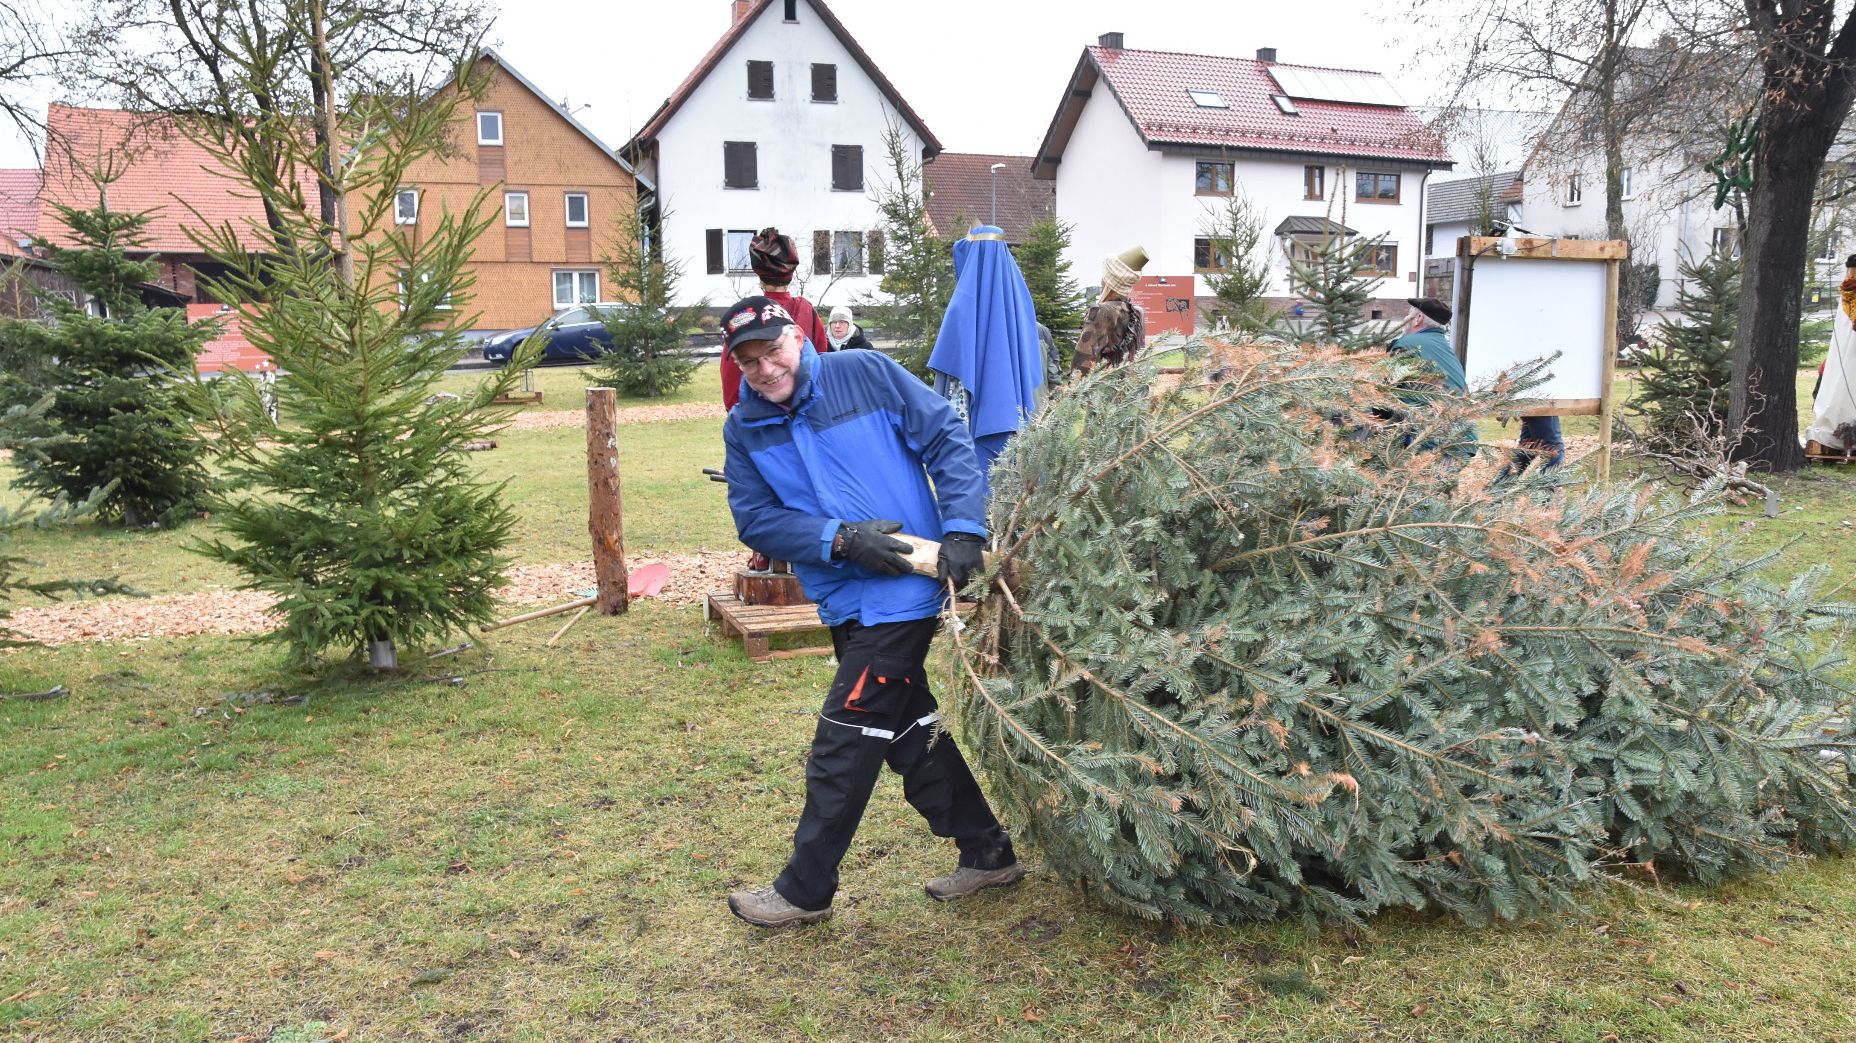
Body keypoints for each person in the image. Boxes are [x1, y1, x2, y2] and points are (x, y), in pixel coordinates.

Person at [718, 295, 1025, 929]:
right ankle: (987, 849)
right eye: (748, 362)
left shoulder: (865, 373)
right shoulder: (745, 427)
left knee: (846, 736)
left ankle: (806, 889)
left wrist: (964, 526)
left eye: (772, 351)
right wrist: (838, 538)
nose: (765, 369)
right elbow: (756, 518)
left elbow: (945, 436)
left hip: (905, 592)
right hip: (841, 597)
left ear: (798, 338)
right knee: (910, 730)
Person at [928, 225, 1046, 483]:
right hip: (1013, 407)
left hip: (968, 417)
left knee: (978, 480)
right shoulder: (1018, 299)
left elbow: (951, 366)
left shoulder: (963, 303)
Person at [718, 228, 830, 410]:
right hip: (810, 410)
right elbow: (822, 364)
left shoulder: (745, 318)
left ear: (759, 273)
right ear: (790, 272)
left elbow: (732, 386)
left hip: (760, 417)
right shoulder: (806, 310)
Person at [1384, 296, 1477, 458]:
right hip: (1462, 439)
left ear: (1418, 319)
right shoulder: (1444, 347)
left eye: (1408, 314)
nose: (1405, 318)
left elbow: (1385, 391)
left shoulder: (1406, 345)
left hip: (1429, 442)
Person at [1069, 246, 1149, 378]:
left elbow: (1082, 363)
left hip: (1103, 392)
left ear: (1109, 281)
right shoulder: (1137, 312)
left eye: (1104, 276)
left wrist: (1072, 391)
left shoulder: (1100, 311)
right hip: (1129, 391)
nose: (1101, 280)